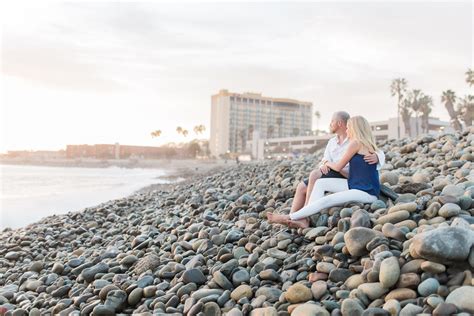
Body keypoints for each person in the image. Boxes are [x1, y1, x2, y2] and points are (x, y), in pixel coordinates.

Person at [267, 116, 381, 227]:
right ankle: (304, 217)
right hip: (355, 184)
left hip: (366, 192)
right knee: (320, 183)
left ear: (355, 128)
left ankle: (289, 217)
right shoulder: (367, 144)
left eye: (349, 127)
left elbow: (337, 167)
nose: (347, 130)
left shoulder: (355, 143)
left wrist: (326, 163)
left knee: (328, 200)